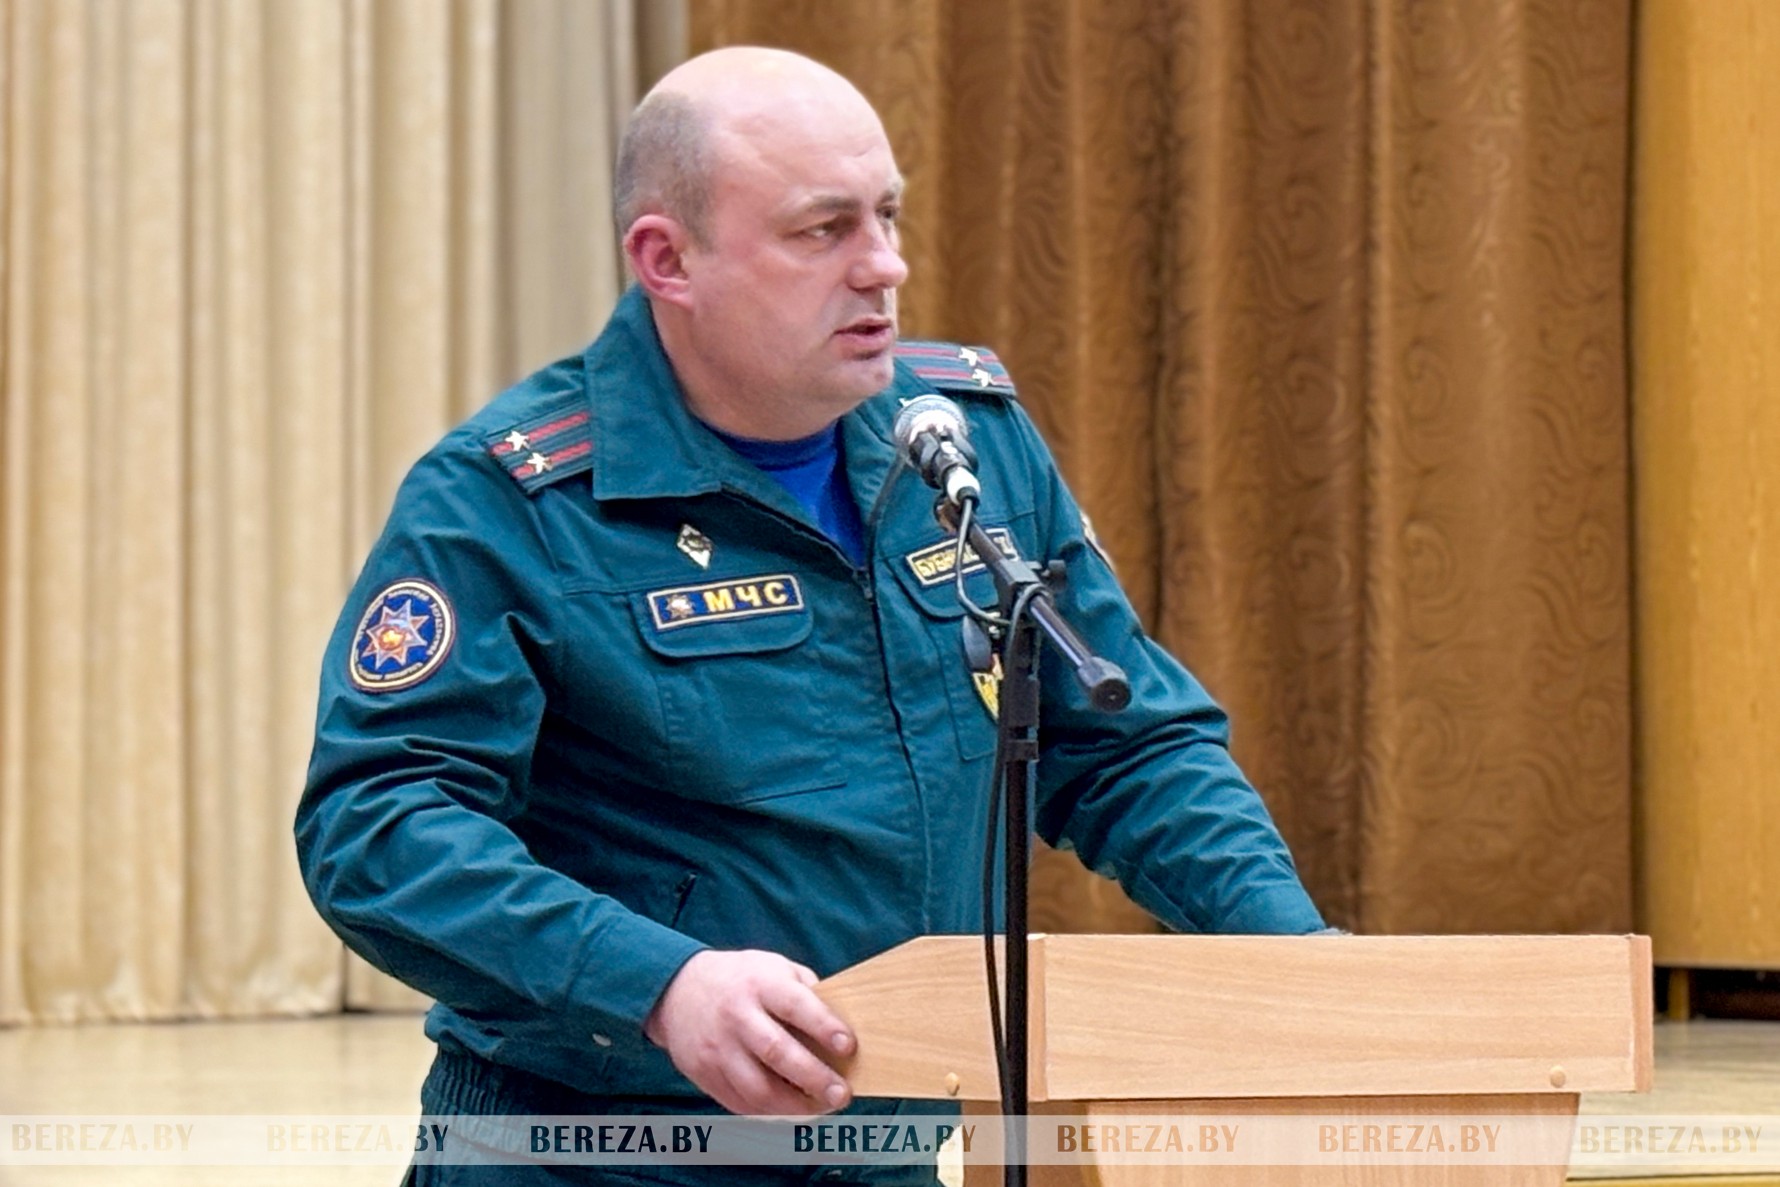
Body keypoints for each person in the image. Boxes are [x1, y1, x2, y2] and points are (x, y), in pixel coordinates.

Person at [296, 46, 1327, 1186]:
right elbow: (379, 824)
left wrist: (1299, 964)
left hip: (885, 1142)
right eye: (821, 230)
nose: (884, 264)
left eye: (887, 214)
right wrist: (657, 984)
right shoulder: (514, 499)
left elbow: (1123, 748)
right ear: (667, 259)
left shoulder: (964, 445)